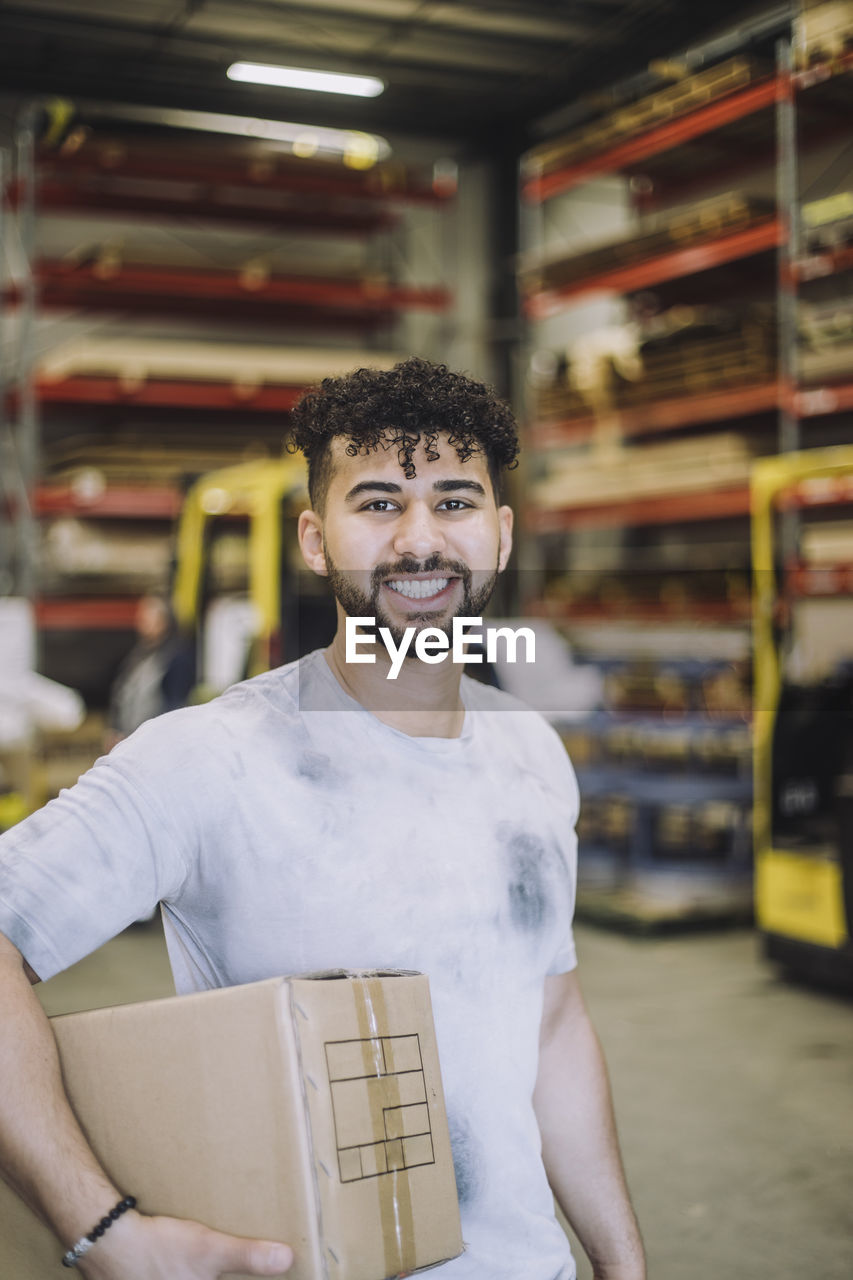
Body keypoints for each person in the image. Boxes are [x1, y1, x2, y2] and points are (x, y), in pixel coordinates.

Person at [0, 357, 645, 1280]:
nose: (420, 541)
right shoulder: (209, 758)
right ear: (315, 538)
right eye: (378, 504)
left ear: (499, 535)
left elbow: (548, 1026)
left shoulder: (531, 753)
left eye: (454, 502)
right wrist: (99, 1231)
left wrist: (622, 1264)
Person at [105, 594, 196, 750]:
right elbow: (121, 693)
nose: (140, 622)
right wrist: (116, 729)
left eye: (146, 617)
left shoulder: (175, 658)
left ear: (163, 622)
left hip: (156, 744)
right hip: (131, 741)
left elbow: (175, 706)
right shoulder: (137, 656)